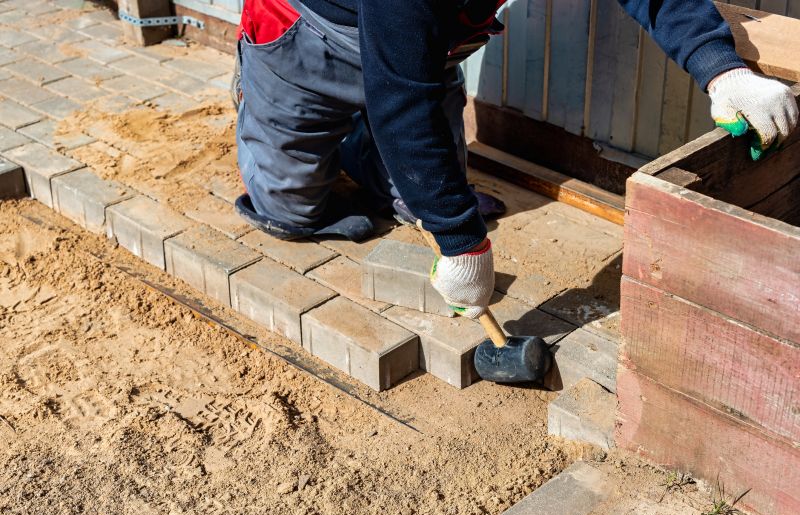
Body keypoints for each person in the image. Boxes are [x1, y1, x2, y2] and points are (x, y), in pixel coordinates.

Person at [233, 0, 799, 320]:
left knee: (416, 184)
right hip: (302, 39)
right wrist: (460, 240)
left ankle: (372, 150)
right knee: (292, 211)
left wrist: (723, 70)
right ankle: (294, 146)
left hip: (421, 50)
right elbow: (404, 98)